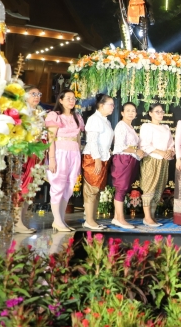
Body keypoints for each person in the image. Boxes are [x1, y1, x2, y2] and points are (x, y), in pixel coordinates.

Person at [45, 90, 84, 232]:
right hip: (60, 153)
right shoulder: (55, 116)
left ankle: (61, 220)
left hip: (74, 153)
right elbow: (50, 139)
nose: (71, 101)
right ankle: (56, 220)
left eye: (73, 98)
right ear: (60, 100)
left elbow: (78, 139)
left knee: (69, 187)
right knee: (58, 185)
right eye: (68, 98)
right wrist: (52, 159)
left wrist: (78, 157)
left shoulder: (77, 117)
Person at [16, 85, 47, 233]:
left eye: (38, 94)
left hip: (38, 153)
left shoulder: (39, 113)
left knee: (32, 187)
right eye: (33, 94)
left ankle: (22, 220)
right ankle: (17, 222)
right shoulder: (21, 111)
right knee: (23, 185)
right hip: (26, 152)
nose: (37, 97)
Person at [81, 94, 115, 231]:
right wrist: (97, 159)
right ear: (101, 105)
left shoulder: (106, 120)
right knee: (91, 190)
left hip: (103, 157)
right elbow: (92, 141)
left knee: (97, 190)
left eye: (113, 104)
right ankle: (89, 221)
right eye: (110, 104)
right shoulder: (94, 119)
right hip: (94, 158)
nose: (112, 107)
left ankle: (93, 219)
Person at [139, 103, 175, 227]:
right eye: (157, 111)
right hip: (151, 160)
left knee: (158, 189)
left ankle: (152, 216)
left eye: (162, 111)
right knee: (149, 187)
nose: (160, 114)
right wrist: (161, 152)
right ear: (150, 113)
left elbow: (171, 144)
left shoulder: (166, 127)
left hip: (163, 161)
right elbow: (144, 145)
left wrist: (170, 151)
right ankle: (147, 217)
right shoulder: (146, 126)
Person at [111, 102, 145, 229]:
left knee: (124, 188)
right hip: (122, 159)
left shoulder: (130, 127)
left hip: (131, 159)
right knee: (121, 188)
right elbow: (120, 146)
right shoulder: (121, 126)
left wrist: (138, 152)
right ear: (122, 113)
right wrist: (136, 150)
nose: (131, 113)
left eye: (133, 110)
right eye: (128, 110)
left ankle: (116, 218)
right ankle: (120, 219)